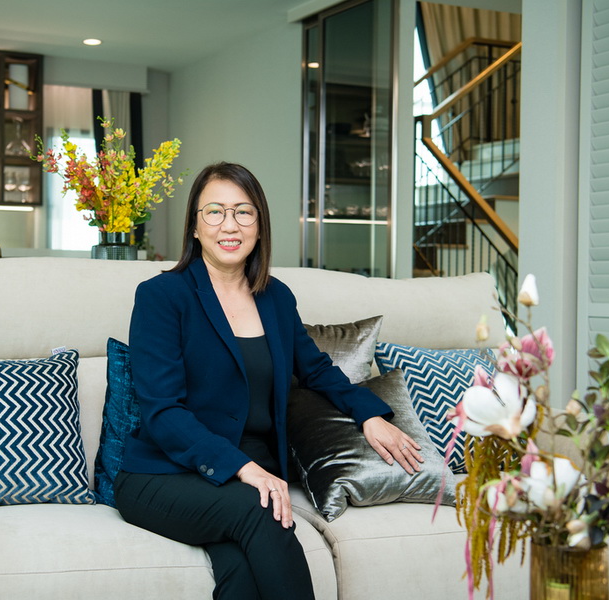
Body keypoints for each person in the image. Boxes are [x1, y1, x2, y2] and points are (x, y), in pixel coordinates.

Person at [114, 162, 424, 600]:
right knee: (263, 511)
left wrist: (370, 416)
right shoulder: (162, 296)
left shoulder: (276, 297)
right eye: (215, 212)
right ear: (195, 226)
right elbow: (163, 412)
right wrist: (245, 470)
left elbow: (316, 370)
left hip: (247, 474)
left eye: (243, 212)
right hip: (164, 473)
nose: (230, 225)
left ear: (259, 226)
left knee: (243, 576)